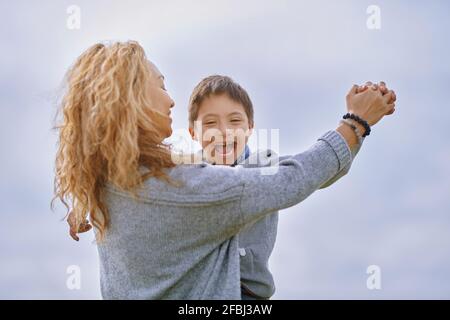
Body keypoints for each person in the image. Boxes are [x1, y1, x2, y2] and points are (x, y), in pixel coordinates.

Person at [55, 41, 396, 299]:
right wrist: (355, 122)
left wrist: (86, 200)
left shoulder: (114, 185)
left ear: (250, 126)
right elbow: (294, 179)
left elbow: (301, 173)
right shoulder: (186, 187)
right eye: (160, 85)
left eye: (235, 121)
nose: (170, 99)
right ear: (131, 96)